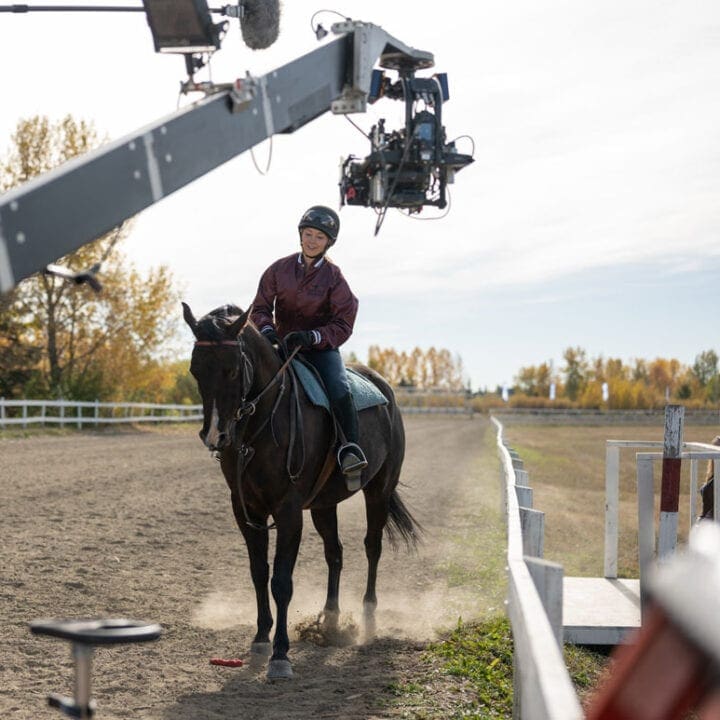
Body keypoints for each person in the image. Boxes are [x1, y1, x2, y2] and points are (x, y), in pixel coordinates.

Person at [250, 205, 368, 489]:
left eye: (319, 237)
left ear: (329, 242)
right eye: (308, 233)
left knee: (339, 386)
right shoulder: (278, 270)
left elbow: (343, 323)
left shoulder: (335, 278)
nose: (312, 240)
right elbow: (261, 308)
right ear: (300, 234)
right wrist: (268, 331)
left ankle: (349, 450)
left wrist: (313, 337)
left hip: (321, 349)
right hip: (280, 345)